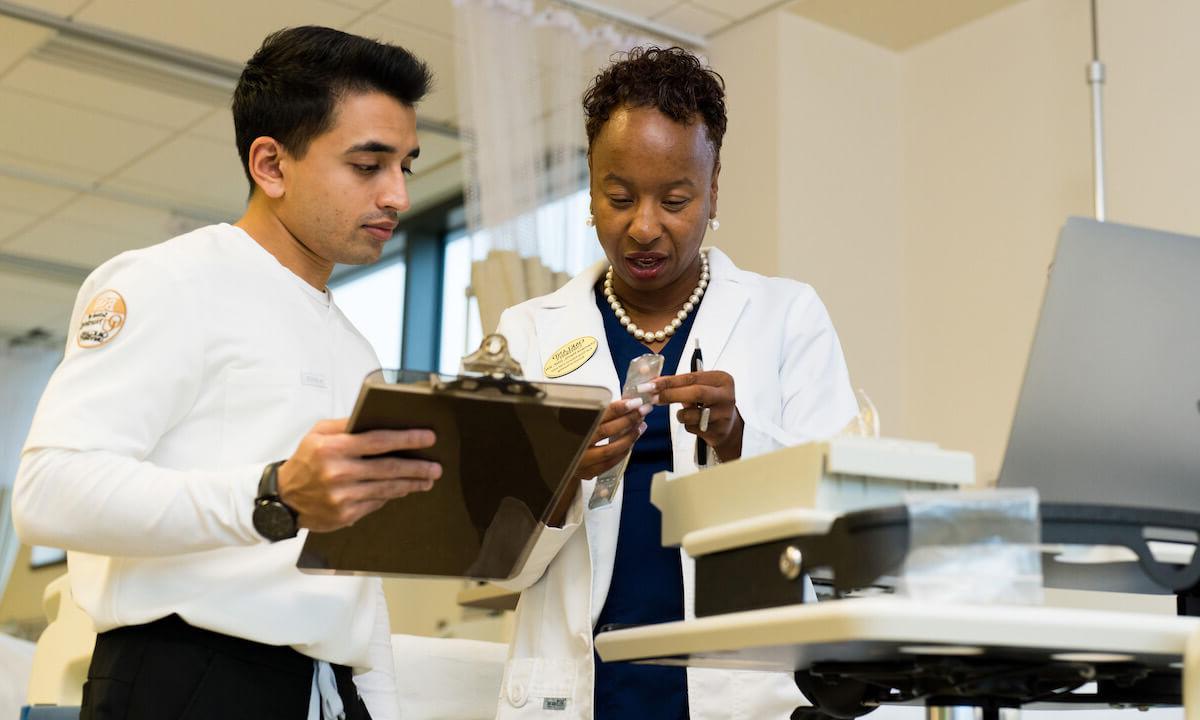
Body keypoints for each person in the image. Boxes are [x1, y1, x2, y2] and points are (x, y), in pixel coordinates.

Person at [13, 26, 442, 720]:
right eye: (369, 166)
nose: (395, 194)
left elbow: (351, 581)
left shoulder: (355, 348)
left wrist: (379, 702)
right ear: (271, 165)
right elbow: (48, 491)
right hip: (184, 678)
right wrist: (271, 495)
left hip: (327, 687)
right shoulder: (169, 281)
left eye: (406, 166)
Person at [493, 47, 858, 719]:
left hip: (743, 689)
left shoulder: (787, 316)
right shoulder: (525, 335)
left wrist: (740, 439)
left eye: (676, 199)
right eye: (620, 197)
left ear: (714, 188)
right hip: (581, 690)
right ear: (591, 187)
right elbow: (488, 560)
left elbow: (842, 521)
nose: (644, 227)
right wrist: (563, 476)